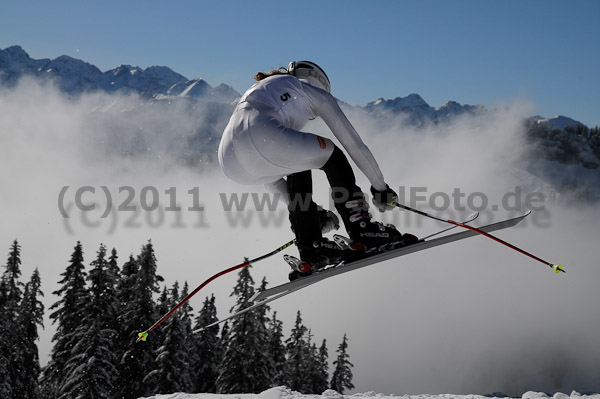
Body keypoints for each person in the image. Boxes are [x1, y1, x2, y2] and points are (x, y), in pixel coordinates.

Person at [218, 61, 417, 279]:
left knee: (299, 162)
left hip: (230, 163)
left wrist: (313, 212)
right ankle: (362, 227)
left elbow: (268, 171)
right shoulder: (312, 92)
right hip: (262, 139)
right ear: (319, 83)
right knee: (333, 155)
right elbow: (354, 145)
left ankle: (311, 247)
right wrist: (380, 188)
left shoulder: (263, 90)